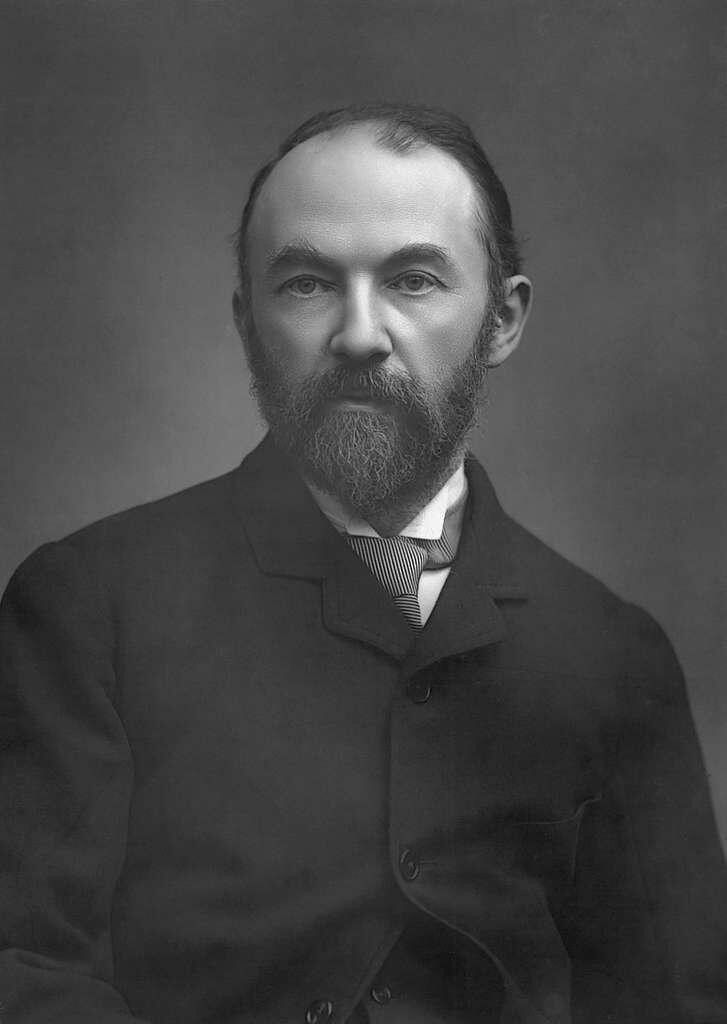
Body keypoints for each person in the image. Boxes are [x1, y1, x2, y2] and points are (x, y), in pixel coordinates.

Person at [0, 103, 725, 1024]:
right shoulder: (90, 605)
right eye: (305, 284)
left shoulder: (614, 654)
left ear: (501, 321)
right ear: (245, 321)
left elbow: (678, 1002)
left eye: (414, 280)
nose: (358, 334)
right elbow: (24, 966)